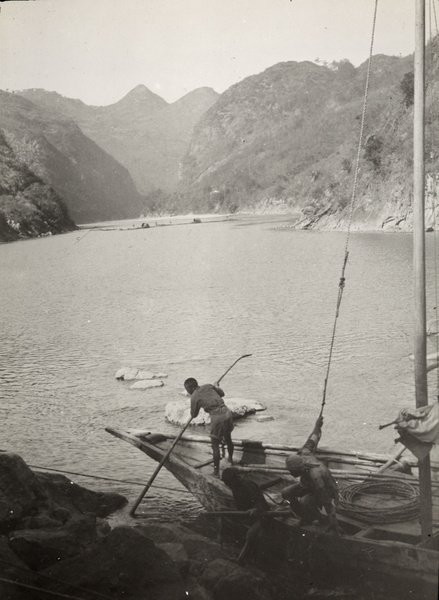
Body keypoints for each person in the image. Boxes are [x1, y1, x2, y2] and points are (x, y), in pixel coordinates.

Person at [282, 416, 340, 534]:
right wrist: (317, 425)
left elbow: (327, 502)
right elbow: (313, 438)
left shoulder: (316, 476)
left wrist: (334, 522)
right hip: (308, 485)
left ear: (299, 469)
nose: (292, 474)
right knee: (286, 492)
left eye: (293, 472)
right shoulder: (304, 452)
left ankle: (321, 519)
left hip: (327, 490)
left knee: (305, 502)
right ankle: (306, 518)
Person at [184, 378, 234, 477]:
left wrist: (194, 402)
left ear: (191, 387)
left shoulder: (194, 396)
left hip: (218, 417)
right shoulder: (208, 385)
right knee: (228, 438)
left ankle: (216, 472)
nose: (187, 392)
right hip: (227, 413)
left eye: (187, 389)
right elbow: (222, 394)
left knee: (215, 445)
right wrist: (216, 386)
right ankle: (231, 460)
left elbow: (194, 415)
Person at [222, 467, 269, 562]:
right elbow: (239, 504)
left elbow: (261, 504)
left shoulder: (248, 484)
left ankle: (239, 559)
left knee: (250, 534)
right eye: (227, 484)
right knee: (219, 511)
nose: (229, 486)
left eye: (230, 484)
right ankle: (219, 541)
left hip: (261, 516)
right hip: (244, 514)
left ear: (235, 479)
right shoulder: (234, 486)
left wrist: (254, 509)